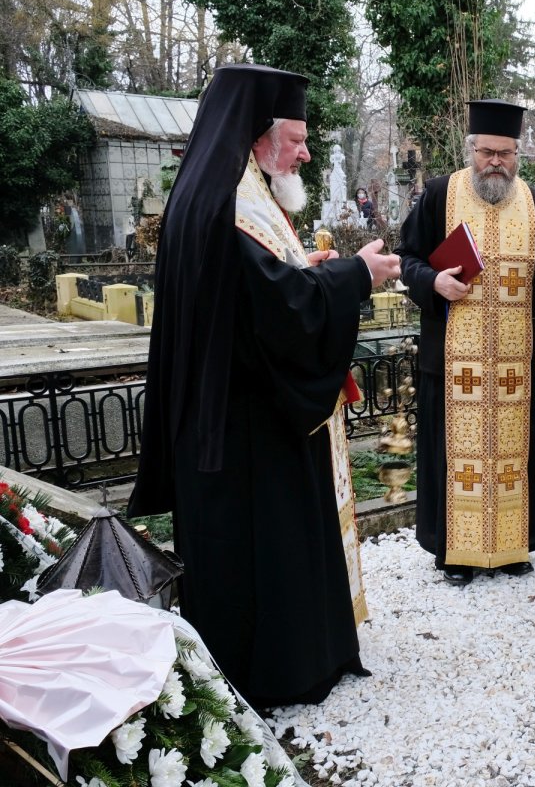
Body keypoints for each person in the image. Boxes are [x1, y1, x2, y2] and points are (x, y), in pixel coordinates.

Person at [128, 64, 403, 708]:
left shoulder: (219, 188)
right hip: (247, 423)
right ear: (257, 138)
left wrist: (305, 270)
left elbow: (251, 289)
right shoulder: (234, 199)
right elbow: (278, 309)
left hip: (225, 410)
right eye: (296, 139)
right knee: (265, 551)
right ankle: (280, 671)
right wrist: (356, 276)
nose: (306, 153)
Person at [398, 99, 535, 586]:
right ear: (472, 149)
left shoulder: (534, 202)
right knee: (454, 459)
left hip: (511, 362)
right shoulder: (441, 194)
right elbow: (408, 257)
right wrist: (433, 282)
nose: (496, 162)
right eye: (488, 152)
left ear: (517, 154)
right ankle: (456, 552)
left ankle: (510, 547)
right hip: (452, 361)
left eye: (506, 154)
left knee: (512, 458)